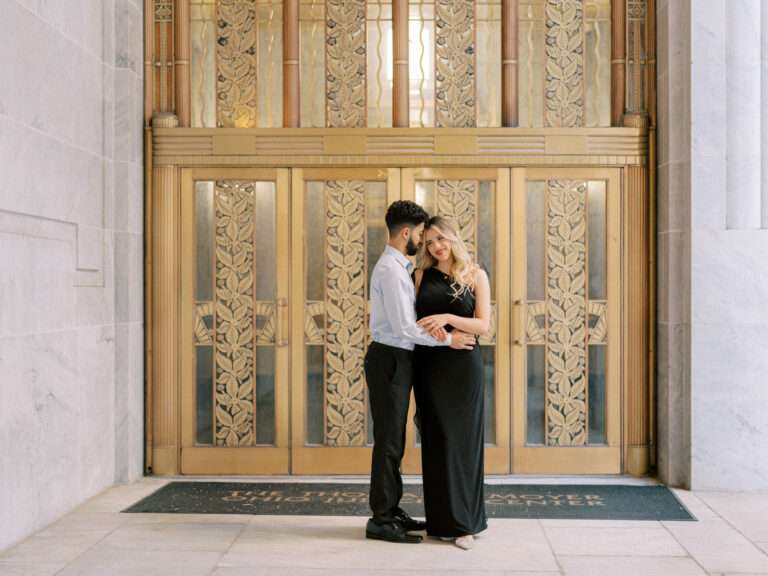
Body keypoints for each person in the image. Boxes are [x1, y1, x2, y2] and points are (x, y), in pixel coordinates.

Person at [364, 201, 477, 544]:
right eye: (420, 235)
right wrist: (450, 341)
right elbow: (403, 328)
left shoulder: (401, 266)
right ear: (406, 233)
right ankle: (381, 519)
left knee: (394, 440)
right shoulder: (390, 269)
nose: (423, 241)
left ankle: (391, 510)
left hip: (400, 359)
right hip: (390, 358)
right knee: (388, 441)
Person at [413, 216, 491, 550]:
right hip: (430, 365)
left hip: (464, 368)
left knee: (463, 443)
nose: (436, 247)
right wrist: (437, 332)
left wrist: (446, 318)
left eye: (441, 239)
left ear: (454, 238)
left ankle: (466, 525)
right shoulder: (418, 276)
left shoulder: (476, 274)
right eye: (429, 242)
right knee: (436, 440)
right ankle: (441, 520)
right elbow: (411, 322)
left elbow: (483, 325)